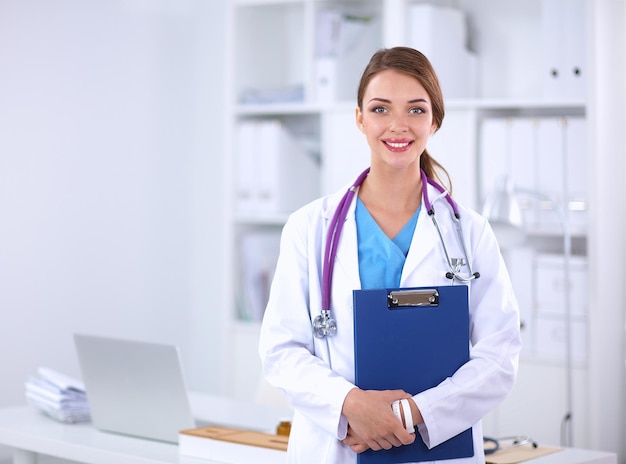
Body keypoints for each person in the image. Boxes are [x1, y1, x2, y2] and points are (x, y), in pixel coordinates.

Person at [258, 46, 522, 463]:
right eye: (381, 109)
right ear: (359, 117)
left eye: (416, 110)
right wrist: (352, 405)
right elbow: (281, 350)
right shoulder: (310, 227)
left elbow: (500, 356)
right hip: (338, 447)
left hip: (436, 448)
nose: (398, 125)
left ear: (435, 119)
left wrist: (412, 412)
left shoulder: (469, 233)